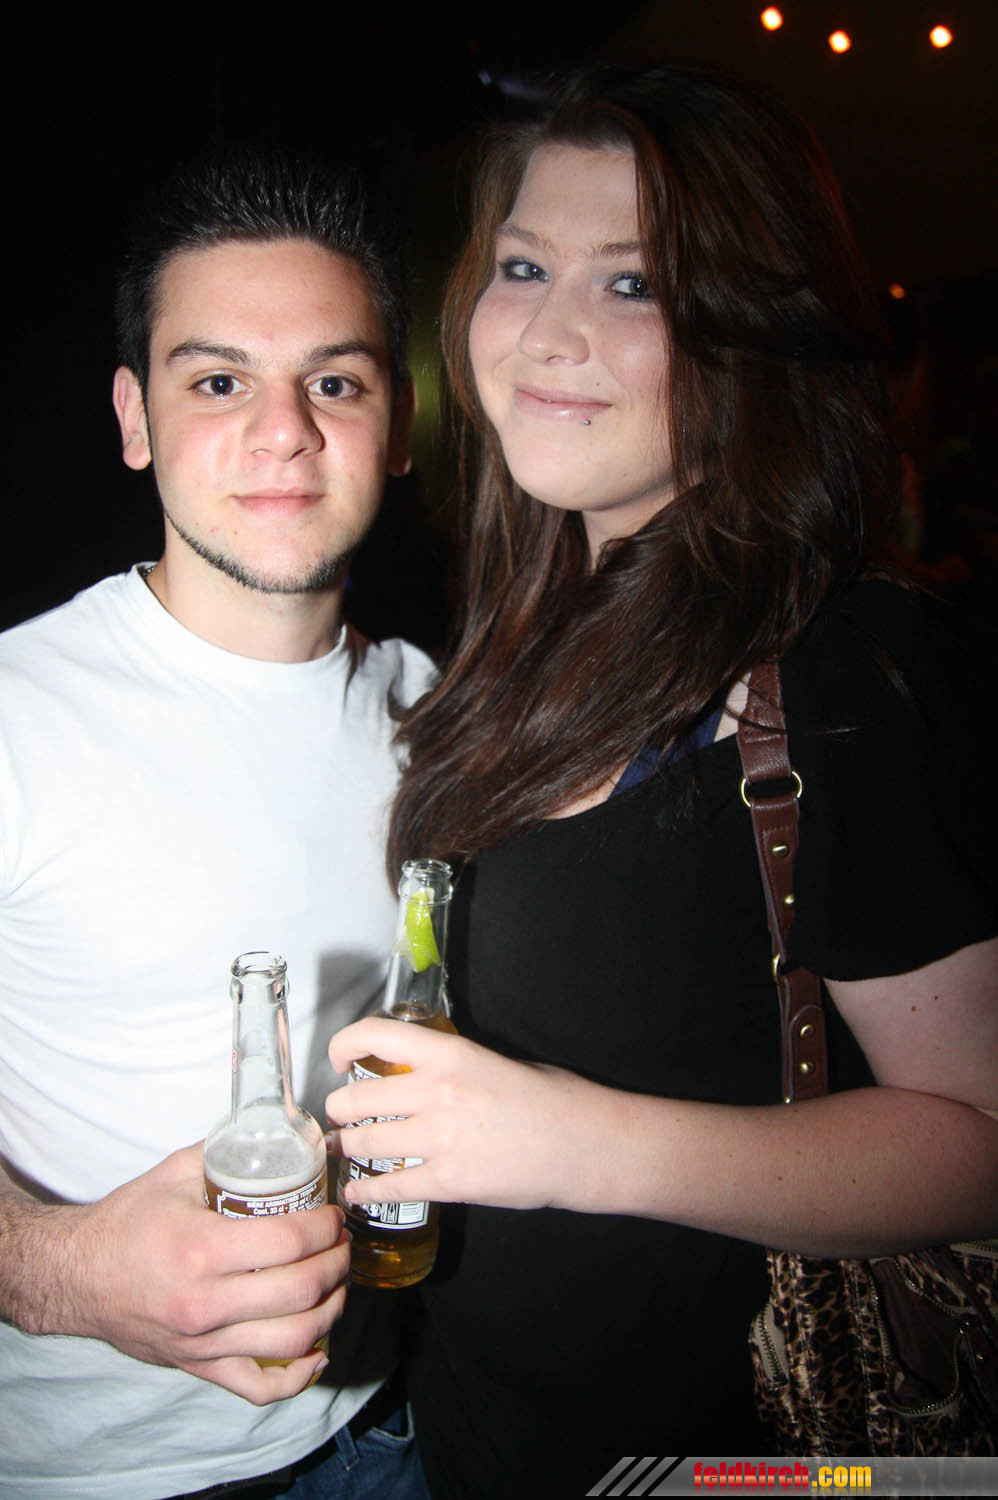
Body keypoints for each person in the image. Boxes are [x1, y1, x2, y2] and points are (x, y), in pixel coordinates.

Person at [325, 65, 998, 1496]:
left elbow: (978, 1141)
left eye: (632, 284)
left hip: (716, 1459)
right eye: (523, 266)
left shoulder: (843, 669)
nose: (548, 333)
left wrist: (571, 1141)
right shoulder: (522, 632)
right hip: (465, 1428)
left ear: (756, 330)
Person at [0, 150, 436, 1499]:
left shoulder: (441, 709)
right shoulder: (18, 715)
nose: (284, 430)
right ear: (134, 417)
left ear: (399, 424)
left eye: (336, 382)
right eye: (218, 381)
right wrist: (55, 1269)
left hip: (393, 1436)